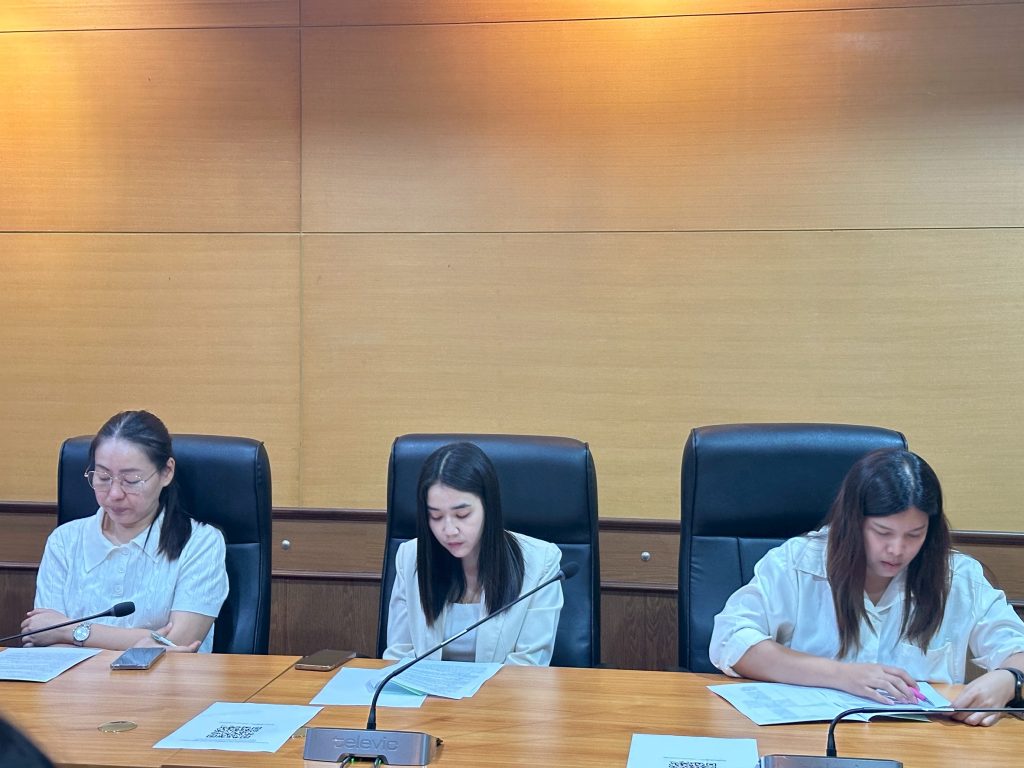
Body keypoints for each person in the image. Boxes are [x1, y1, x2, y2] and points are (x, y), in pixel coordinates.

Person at [710, 448, 1024, 726]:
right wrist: (842, 675)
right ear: (853, 522)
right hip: (811, 739)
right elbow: (730, 640)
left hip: (922, 743)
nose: (897, 549)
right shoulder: (797, 563)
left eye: (914, 534)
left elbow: (1016, 647)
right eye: (882, 532)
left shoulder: (957, 577)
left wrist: (1010, 679)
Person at [21, 410, 228, 653]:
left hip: (165, 679)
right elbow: (44, 639)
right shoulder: (64, 541)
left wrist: (70, 631)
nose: (115, 494)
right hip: (74, 680)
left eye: (131, 480)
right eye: (103, 477)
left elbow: (180, 643)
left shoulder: (200, 542)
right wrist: (144, 641)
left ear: (166, 472)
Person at [384, 442, 564, 665]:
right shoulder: (410, 557)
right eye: (436, 516)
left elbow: (528, 666)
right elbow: (399, 656)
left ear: (489, 507)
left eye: (462, 515)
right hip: (426, 688)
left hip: (504, 689)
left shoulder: (540, 562)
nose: (449, 530)